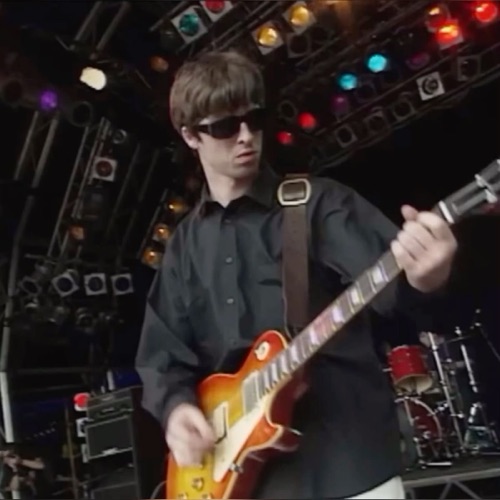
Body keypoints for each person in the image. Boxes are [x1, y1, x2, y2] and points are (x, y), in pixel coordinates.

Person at [135, 50, 457, 499]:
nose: (246, 137)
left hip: (347, 463)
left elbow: (398, 294)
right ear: (190, 135)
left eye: (255, 119)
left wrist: (426, 274)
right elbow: (161, 355)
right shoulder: (183, 246)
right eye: (225, 127)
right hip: (244, 479)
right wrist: (176, 410)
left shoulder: (319, 204)